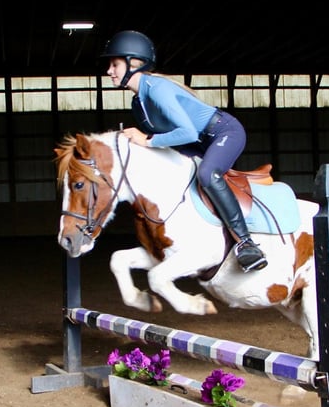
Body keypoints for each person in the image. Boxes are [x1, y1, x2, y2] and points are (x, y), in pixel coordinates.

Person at [100, 30, 268, 273]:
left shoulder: (156, 88)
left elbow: (187, 132)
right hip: (195, 143)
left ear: (133, 63)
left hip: (223, 132)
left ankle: (246, 243)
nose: (109, 71)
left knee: (207, 174)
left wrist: (146, 141)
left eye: (114, 64)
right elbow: (170, 142)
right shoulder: (138, 102)